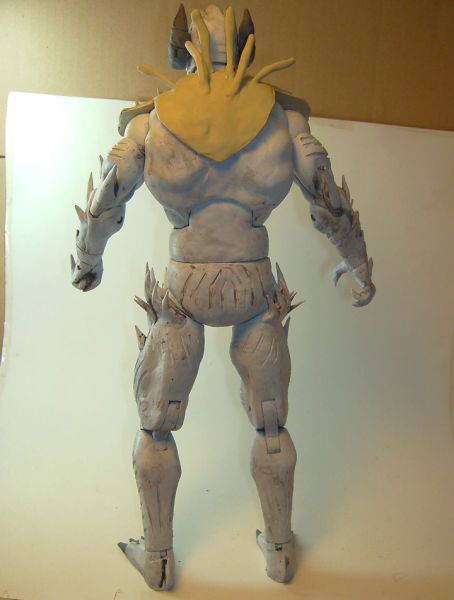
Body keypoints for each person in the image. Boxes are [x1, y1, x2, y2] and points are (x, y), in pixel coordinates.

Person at [71, 4, 375, 591]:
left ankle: (159, 559)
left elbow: (110, 195)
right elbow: (324, 193)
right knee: (270, 425)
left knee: (157, 428)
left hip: (185, 290)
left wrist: (88, 258)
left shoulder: (152, 123)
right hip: (253, 288)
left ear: (183, 47)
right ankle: (279, 554)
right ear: (246, 44)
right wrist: (356, 264)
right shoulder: (284, 122)